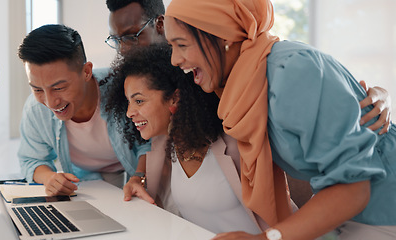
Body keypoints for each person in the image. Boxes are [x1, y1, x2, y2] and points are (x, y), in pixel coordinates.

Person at [105, 0, 393, 209]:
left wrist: (378, 95)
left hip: (376, 201)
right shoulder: (222, 84)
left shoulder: (282, 70)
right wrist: (139, 177)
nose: (175, 60)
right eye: (117, 40)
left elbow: (347, 180)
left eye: (132, 35)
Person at [104, 43, 278, 234]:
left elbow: (279, 210)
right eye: (129, 102)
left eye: (139, 101)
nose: (129, 112)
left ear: (174, 98)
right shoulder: (164, 145)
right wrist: (138, 180)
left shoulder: (234, 142)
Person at [17, 24, 150, 196]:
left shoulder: (124, 88)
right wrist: (49, 177)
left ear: (86, 71)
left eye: (59, 88)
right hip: (86, 181)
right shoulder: (35, 109)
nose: (50, 102)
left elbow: (150, 143)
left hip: (131, 172)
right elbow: (32, 159)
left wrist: (139, 177)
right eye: (37, 90)